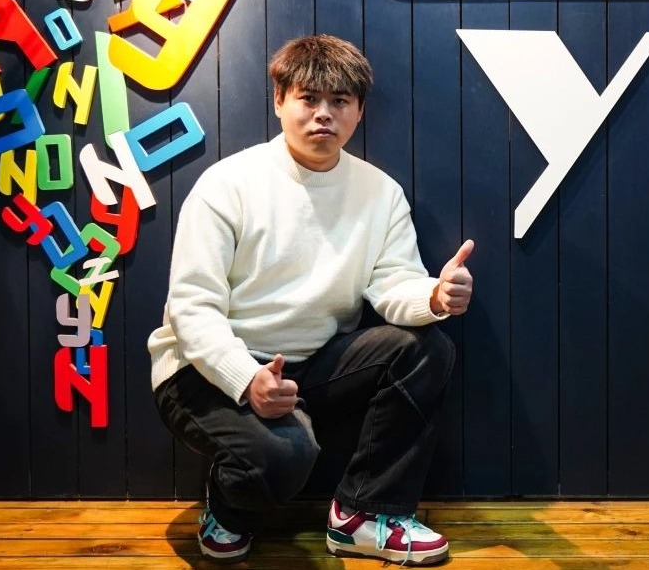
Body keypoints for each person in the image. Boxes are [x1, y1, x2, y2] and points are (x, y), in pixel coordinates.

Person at [147, 34, 473, 565]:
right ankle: (227, 510)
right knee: (282, 457)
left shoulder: (379, 192)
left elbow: (393, 283)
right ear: (279, 100)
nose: (324, 114)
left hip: (310, 365)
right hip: (201, 371)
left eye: (339, 101)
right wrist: (244, 379)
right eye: (308, 98)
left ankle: (363, 516)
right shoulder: (227, 184)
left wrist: (435, 296)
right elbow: (192, 307)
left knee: (425, 349)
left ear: (359, 111)